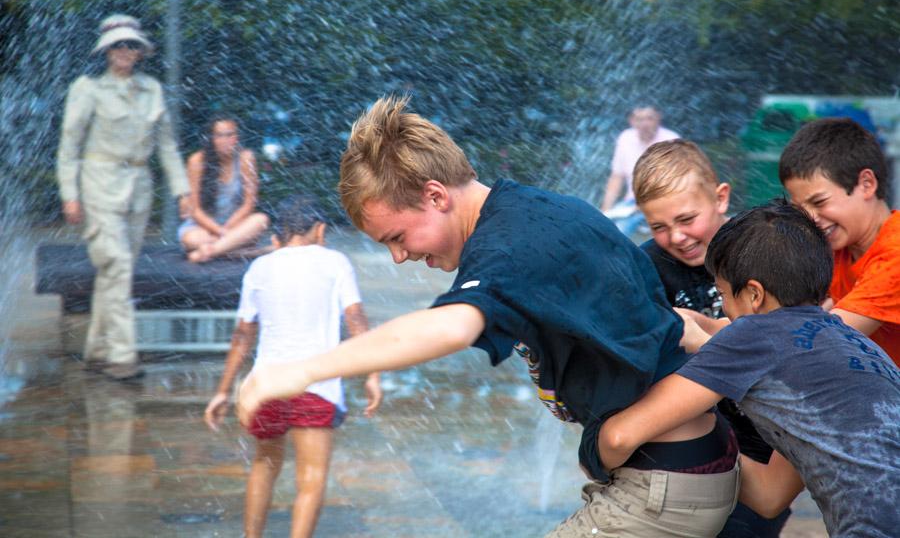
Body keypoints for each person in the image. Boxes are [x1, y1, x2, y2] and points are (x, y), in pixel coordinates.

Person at [238, 96, 741, 537]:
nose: (398, 257)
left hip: (663, 486)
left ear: (435, 195)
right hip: (678, 469)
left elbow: (451, 326)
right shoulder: (533, 208)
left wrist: (298, 371)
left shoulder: (506, 249)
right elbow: (665, 317)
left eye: (397, 237)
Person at [598, 200, 900, 538]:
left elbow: (618, 436)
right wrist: (698, 442)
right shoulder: (856, 347)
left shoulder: (755, 332)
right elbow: (769, 495)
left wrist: (597, 450)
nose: (724, 307)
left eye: (723, 294)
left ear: (754, 294)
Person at [633, 140, 792, 536]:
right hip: (683, 449)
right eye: (659, 226)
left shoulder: (764, 251)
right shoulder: (645, 267)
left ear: (721, 197)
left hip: (760, 447)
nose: (677, 236)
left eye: (687, 219)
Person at [204, 195, 382, 538]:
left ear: (279, 236)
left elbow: (243, 334)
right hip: (316, 385)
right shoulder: (335, 262)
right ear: (320, 229)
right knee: (311, 479)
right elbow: (356, 317)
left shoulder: (260, 267)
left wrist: (223, 391)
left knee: (264, 463)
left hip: (267, 386)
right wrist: (373, 374)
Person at [57, 14, 191, 381]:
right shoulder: (88, 89)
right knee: (115, 264)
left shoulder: (152, 90)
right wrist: (70, 194)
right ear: (106, 50)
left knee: (116, 272)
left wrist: (182, 189)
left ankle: (97, 351)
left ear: (140, 51)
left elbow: (165, 144)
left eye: (131, 45)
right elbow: (69, 146)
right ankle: (122, 355)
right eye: (118, 45)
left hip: (138, 188)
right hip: (99, 183)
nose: (124, 51)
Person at [779, 117, 900, 363]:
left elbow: (824, 340)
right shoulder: (835, 249)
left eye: (819, 202)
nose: (809, 219)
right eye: (799, 208)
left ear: (866, 184)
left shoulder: (895, 253)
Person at [179, 114, 269, 262]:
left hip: (235, 225)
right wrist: (221, 232)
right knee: (190, 239)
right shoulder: (197, 160)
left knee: (261, 220)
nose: (225, 141)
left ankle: (208, 252)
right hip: (203, 228)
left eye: (229, 135)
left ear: (237, 137)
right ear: (211, 139)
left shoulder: (246, 158)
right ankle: (236, 251)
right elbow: (194, 210)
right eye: (219, 136)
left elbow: (249, 203)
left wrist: (228, 229)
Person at [600, 105, 680, 236]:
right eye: (639, 119)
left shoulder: (671, 140)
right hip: (631, 204)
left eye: (649, 118)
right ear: (631, 121)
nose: (644, 124)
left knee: (620, 232)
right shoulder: (625, 138)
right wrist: (605, 210)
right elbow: (616, 177)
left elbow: (676, 181)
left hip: (664, 202)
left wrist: (645, 205)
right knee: (602, 228)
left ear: (658, 119)